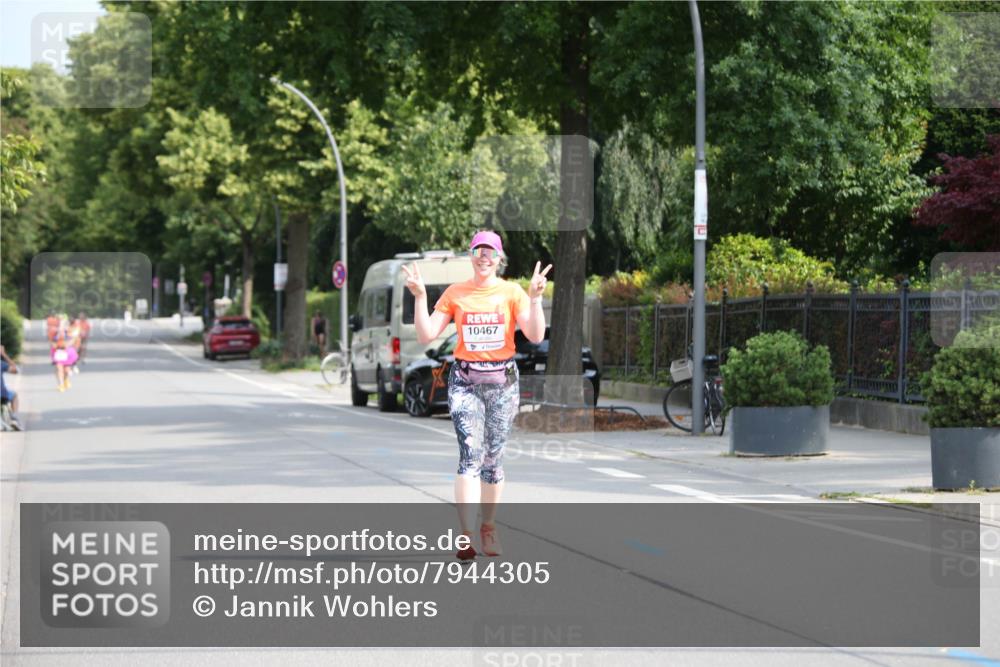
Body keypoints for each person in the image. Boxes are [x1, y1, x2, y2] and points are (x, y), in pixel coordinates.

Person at [403, 230, 550, 560]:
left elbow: (536, 334)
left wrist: (536, 298)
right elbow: (427, 335)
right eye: (478, 251)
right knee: (469, 456)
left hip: (502, 383)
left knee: (492, 460)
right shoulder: (456, 293)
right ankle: (466, 536)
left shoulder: (512, 292)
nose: (484, 257)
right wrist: (420, 297)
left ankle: (489, 527)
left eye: (490, 252)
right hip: (465, 382)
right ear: (471, 256)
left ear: (499, 259)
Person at [1, 344, 22, 430]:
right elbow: (16, 370)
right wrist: (4, 354)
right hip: (2, 394)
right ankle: (14, 417)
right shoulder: (1, 364)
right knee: (14, 395)